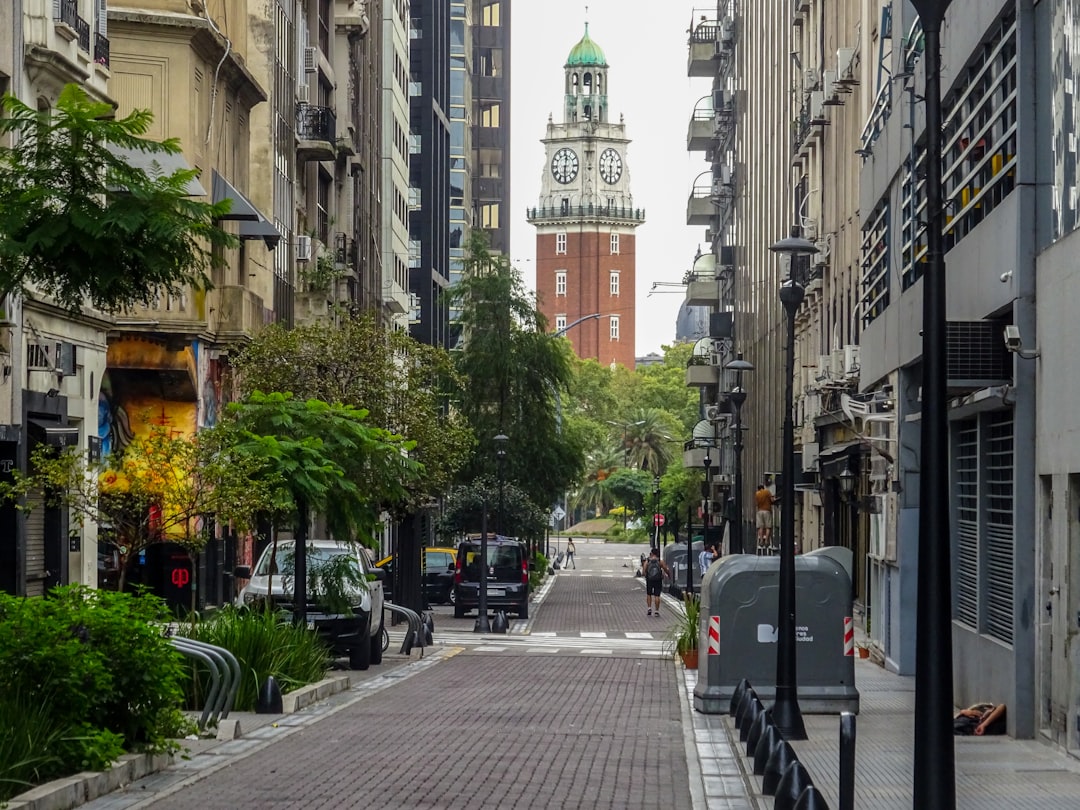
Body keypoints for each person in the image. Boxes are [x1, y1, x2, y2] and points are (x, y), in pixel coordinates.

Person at [643, 547, 670, 616]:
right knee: (657, 595)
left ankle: (649, 608)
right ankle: (656, 611)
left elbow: (644, 571)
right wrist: (669, 575)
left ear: (651, 553)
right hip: (658, 580)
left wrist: (646, 575)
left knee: (649, 594)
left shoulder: (648, 561)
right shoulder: (660, 561)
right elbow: (666, 569)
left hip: (649, 579)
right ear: (657, 554)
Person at [755, 483, 776, 551]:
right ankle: (766, 540)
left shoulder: (757, 494)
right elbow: (772, 500)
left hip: (760, 511)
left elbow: (756, 502)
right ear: (763, 487)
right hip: (767, 510)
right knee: (768, 527)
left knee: (760, 527)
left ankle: (761, 540)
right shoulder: (767, 492)